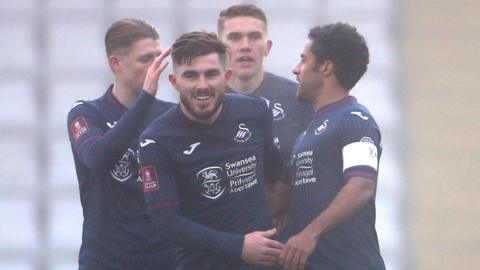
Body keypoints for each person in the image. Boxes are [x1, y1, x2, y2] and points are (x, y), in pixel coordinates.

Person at [138, 31, 286, 270]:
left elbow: (275, 171)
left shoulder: (256, 112)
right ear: (174, 82)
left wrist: (281, 216)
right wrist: (239, 246)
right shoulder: (156, 141)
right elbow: (166, 222)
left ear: (226, 76)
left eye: (211, 74)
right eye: (191, 76)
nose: (202, 85)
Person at [67, 18, 175, 269]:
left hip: (164, 260)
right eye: (145, 59)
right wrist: (146, 98)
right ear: (115, 63)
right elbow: (97, 157)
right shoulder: (86, 113)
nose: (155, 68)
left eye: (158, 57)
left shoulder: (171, 116)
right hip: (106, 261)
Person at [279, 23, 386, 270]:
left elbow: (361, 186)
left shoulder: (355, 119)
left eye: (304, 61)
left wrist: (310, 234)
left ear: (326, 67)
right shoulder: (308, 131)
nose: (296, 69)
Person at [217, 3, 314, 165]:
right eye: (235, 38)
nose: (245, 46)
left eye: (254, 37)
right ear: (219, 48)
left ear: (268, 48)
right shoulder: (204, 102)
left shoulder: (300, 99)